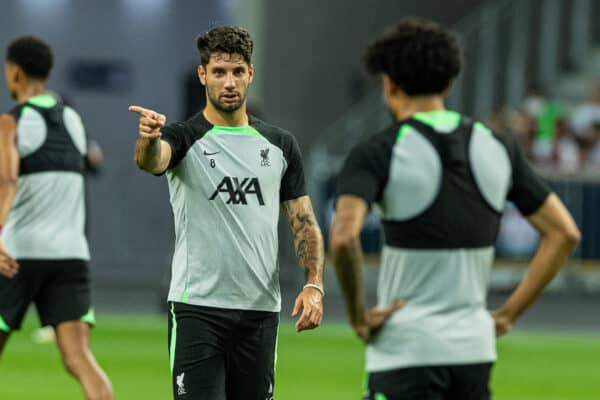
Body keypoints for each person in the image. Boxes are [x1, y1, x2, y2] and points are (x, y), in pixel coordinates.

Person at [329, 17, 581, 400]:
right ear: (448, 84)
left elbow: (345, 237)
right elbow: (565, 233)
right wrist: (508, 314)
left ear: (389, 84)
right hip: (474, 353)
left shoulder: (377, 152)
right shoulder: (497, 146)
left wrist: (358, 316)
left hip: (404, 351)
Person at [129, 26, 324, 400]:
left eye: (237, 71)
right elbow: (151, 161)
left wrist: (314, 284)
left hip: (259, 312)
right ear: (203, 76)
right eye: (219, 72)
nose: (229, 82)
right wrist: (148, 138)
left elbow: (304, 222)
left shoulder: (280, 145)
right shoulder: (183, 137)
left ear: (251, 73)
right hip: (197, 310)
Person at [0, 36, 113, 399]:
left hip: (17, 255)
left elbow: (6, 180)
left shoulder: (11, 122)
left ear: (13, 71)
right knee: (79, 358)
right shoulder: (74, 119)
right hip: (71, 255)